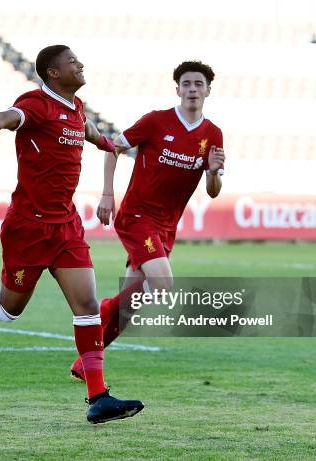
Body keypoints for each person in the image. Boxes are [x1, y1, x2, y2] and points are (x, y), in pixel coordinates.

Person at [0, 45, 144, 424]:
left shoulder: (76, 107)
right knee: (8, 310)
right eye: (72, 62)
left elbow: (88, 131)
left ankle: (98, 397)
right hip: (28, 228)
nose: (81, 64)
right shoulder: (37, 103)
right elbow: (6, 118)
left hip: (67, 226)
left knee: (87, 306)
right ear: (53, 73)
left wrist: (113, 145)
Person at [69, 61, 226, 380]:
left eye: (199, 84)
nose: (192, 89)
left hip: (167, 225)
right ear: (178, 89)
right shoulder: (157, 121)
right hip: (138, 216)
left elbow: (212, 191)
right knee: (164, 284)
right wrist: (107, 195)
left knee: (131, 305)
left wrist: (211, 171)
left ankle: (85, 362)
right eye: (186, 83)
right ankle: (97, 315)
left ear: (208, 90)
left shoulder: (213, 134)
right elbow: (113, 149)